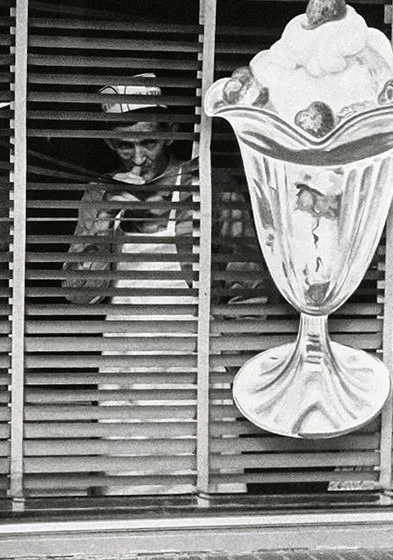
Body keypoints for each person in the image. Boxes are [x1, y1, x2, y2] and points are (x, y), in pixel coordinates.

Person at [62, 76, 262, 492]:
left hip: (191, 358)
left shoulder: (207, 186)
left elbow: (249, 281)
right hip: (127, 362)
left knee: (203, 476)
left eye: (147, 143)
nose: (138, 160)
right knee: (131, 481)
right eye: (123, 147)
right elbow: (78, 291)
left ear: (169, 132)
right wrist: (105, 221)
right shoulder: (101, 192)